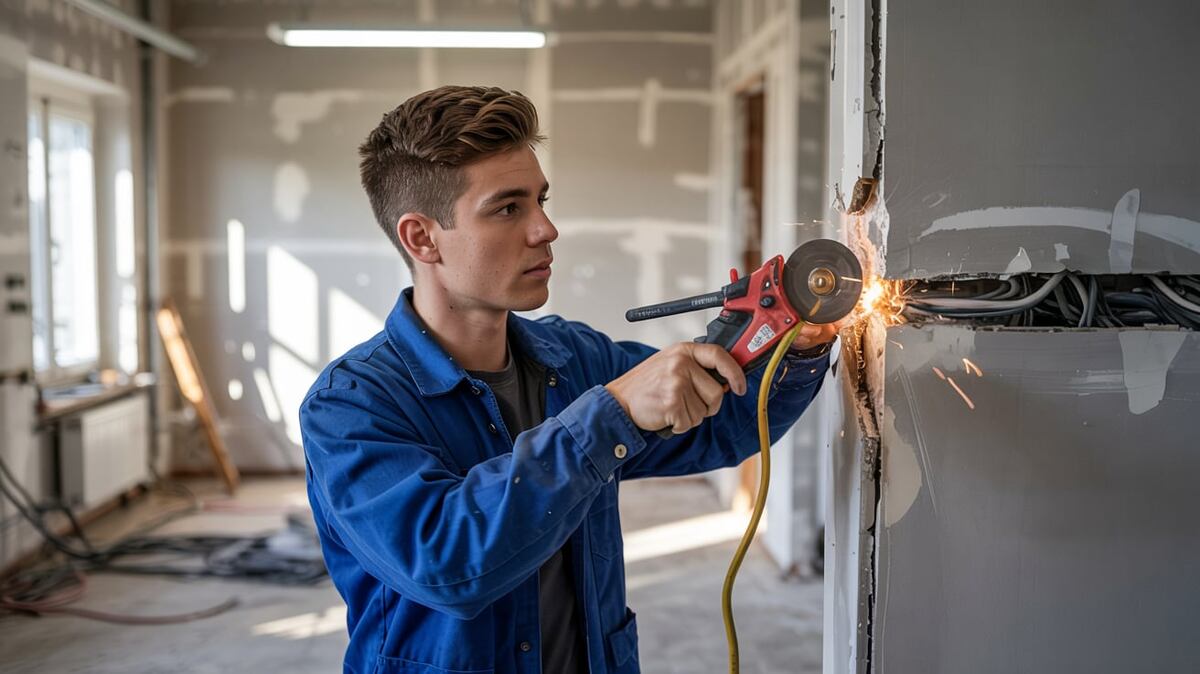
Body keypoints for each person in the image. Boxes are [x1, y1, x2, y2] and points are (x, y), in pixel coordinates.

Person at [300, 85, 841, 674]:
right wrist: (611, 414)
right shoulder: (349, 407)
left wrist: (791, 346)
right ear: (421, 238)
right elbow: (448, 564)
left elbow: (727, 423)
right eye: (509, 208)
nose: (546, 229)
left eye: (541, 200)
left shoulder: (574, 359)